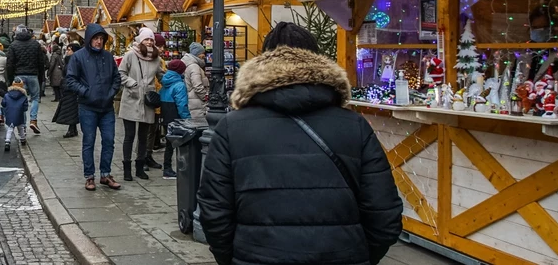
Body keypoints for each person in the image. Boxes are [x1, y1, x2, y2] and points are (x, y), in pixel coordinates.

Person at [197, 22, 403, 265]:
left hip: (257, 255)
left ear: (263, 61)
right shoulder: (354, 126)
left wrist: (231, 257)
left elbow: (214, 212)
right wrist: (360, 255)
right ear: (316, 60)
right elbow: (384, 213)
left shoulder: (232, 127)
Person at [65, 23, 122, 192]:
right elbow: (71, 79)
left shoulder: (107, 56)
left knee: (109, 141)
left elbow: (116, 78)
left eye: (101, 39)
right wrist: (86, 92)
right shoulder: (79, 57)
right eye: (96, 38)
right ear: (89, 39)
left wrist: (111, 93)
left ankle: (105, 174)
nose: (98, 42)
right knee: (89, 142)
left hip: (106, 107)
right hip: (87, 106)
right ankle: (89, 176)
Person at [118, 27, 164, 181]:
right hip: (131, 98)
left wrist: (176, 79)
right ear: (140, 40)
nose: (150, 42)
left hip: (147, 101)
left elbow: (161, 75)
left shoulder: (156, 58)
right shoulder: (130, 55)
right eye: (147, 39)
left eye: (151, 39)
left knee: (143, 136)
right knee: (129, 135)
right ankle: (126, 169)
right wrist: (132, 83)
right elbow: (120, 73)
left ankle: (140, 167)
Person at [4, 25, 48, 134]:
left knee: (20, 100)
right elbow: (40, 62)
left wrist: (10, 79)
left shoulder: (13, 45)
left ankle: (22, 125)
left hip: (18, 76)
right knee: (35, 98)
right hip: (33, 74)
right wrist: (41, 76)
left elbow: (10, 64)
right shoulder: (35, 44)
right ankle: (33, 120)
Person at [158, 60, 190, 179]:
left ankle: (167, 167)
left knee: (169, 144)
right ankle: (173, 168)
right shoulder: (179, 85)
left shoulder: (165, 82)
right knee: (179, 145)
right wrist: (187, 119)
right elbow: (182, 105)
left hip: (166, 116)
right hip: (176, 118)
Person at [51, 42, 81, 138]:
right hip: (68, 87)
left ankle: (71, 129)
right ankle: (73, 129)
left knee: (70, 108)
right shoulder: (69, 60)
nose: (67, 51)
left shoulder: (74, 60)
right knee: (71, 108)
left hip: (71, 87)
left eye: (69, 50)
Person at [181, 43, 210, 119]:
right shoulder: (194, 67)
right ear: (198, 54)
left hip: (193, 101)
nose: (204, 55)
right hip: (197, 103)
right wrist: (205, 98)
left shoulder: (189, 64)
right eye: (202, 53)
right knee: (199, 125)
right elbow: (197, 86)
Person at [2, 77, 30, 152]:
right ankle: (23, 139)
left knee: (10, 129)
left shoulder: (7, 95)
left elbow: (3, 104)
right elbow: (25, 108)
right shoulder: (23, 96)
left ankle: (7, 141)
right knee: (21, 127)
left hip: (9, 114)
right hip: (19, 115)